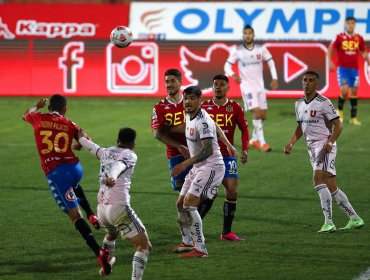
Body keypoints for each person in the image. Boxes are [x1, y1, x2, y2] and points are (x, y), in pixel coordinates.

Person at [22, 94, 111, 274]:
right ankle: (92, 215)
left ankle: (99, 253)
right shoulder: (70, 123)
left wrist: (36, 106)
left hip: (57, 173)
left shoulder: (39, 118)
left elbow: (25, 114)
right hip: (75, 168)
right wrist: (79, 142)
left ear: (49, 108)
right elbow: (84, 137)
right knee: (74, 185)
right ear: (65, 109)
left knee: (75, 216)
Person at [284, 70, 364, 233]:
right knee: (331, 185)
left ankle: (329, 223)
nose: (306, 83)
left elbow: (339, 125)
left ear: (316, 84)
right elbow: (301, 127)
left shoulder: (323, 102)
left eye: (311, 80)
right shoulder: (298, 103)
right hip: (311, 148)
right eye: (304, 80)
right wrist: (291, 142)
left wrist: (330, 141)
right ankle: (355, 219)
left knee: (318, 180)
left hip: (325, 147)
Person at [169, 86, 236, 258]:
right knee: (180, 204)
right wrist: (228, 144)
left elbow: (207, 151)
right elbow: (217, 126)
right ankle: (187, 241)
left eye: (192, 98)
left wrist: (185, 164)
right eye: (186, 98)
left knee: (190, 204)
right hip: (199, 166)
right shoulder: (191, 115)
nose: (188, 102)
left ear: (200, 101)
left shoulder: (203, 121)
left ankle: (200, 248)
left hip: (211, 166)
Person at [78, 127, 152, 279]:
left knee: (112, 233)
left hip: (102, 210)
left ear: (117, 141)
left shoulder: (106, 152)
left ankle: (106, 264)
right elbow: (119, 166)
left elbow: (93, 148)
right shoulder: (130, 154)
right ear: (133, 144)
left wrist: (81, 139)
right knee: (144, 247)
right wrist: (112, 176)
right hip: (118, 207)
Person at [200, 74, 249, 241]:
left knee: (232, 191)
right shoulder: (204, 107)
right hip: (209, 155)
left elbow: (244, 129)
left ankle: (226, 232)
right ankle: (194, 228)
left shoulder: (235, 107)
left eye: (221, 84)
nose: (218, 87)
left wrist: (245, 149)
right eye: (215, 84)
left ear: (228, 87)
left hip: (228, 157)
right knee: (210, 194)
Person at [224, 24, 278, 152]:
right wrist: (233, 75)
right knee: (257, 112)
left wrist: (275, 78)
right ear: (243, 35)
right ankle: (262, 142)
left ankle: (253, 139)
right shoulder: (238, 51)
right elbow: (227, 66)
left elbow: (271, 62)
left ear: (253, 35)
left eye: (249, 33)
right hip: (247, 86)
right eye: (245, 33)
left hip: (260, 86)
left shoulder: (261, 49)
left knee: (263, 115)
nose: (247, 35)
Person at [151, 68, 191, 191]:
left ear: (180, 82)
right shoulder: (159, 107)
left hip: (197, 151)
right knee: (183, 192)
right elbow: (157, 134)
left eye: (172, 81)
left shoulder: (191, 102)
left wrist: (171, 129)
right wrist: (179, 146)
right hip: (175, 155)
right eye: (167, 81)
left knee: (204, 191)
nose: (169, 84)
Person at [327, 16, 370, 125]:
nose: (350, 25)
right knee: (345, 90)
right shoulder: (339, 37)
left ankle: (353, 117)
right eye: (348, 23)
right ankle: (339, 113)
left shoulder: (358, 38)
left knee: (354, 92)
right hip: (343, 69)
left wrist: (367, 59)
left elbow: (363, 51)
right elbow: (330, 49)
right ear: (345, 25)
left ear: (355, 25)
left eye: (352, 23)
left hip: (354, 69)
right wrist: (329, 61)